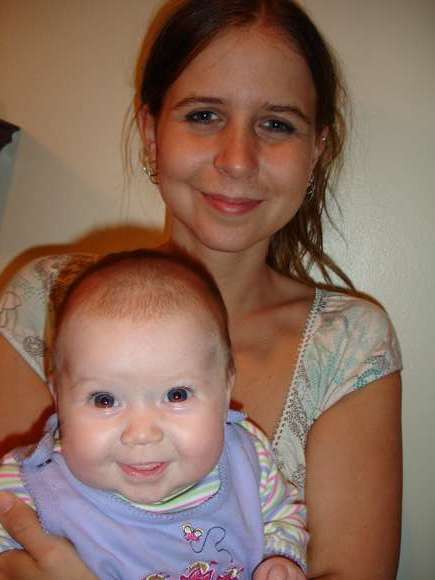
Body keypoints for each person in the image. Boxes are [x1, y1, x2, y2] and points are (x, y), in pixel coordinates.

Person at [0, 0, 402, 578]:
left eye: (277, 124)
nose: (237, 160)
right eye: (204, 115)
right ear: (151, 133)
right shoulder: (42, 300)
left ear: (316, 151)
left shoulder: (350, 346)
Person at [0, 250, 309, 579]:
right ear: (58, 395)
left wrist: (281, 557)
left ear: (225, 388)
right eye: (104, 400)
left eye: (177, 395)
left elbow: (281, 514)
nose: (142, 434)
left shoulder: (248, 458)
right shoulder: (30, 486)